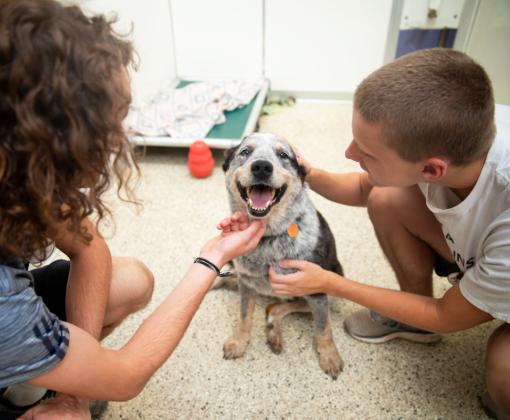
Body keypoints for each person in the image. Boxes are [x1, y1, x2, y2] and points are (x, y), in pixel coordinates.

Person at [0, 1, 266, 419]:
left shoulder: (19, 168)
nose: (119, 138)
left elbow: (90, 250)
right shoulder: (2, 305)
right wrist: (211, 258)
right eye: (112, 121)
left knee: (131, 281)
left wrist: (75, 392)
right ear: (56, 133)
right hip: (7, 326)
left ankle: (40, 379)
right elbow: (126, 377)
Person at [265, 48, 510, 419]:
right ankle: (414, 318)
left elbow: (448, 315)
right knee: (386, 197)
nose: (349, 153)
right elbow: (366, 187)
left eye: (366, 151)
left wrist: (330, 282)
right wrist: (305, 172)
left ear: (432, 170)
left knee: (503, 367)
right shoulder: (464, 133)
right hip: (488, 255)